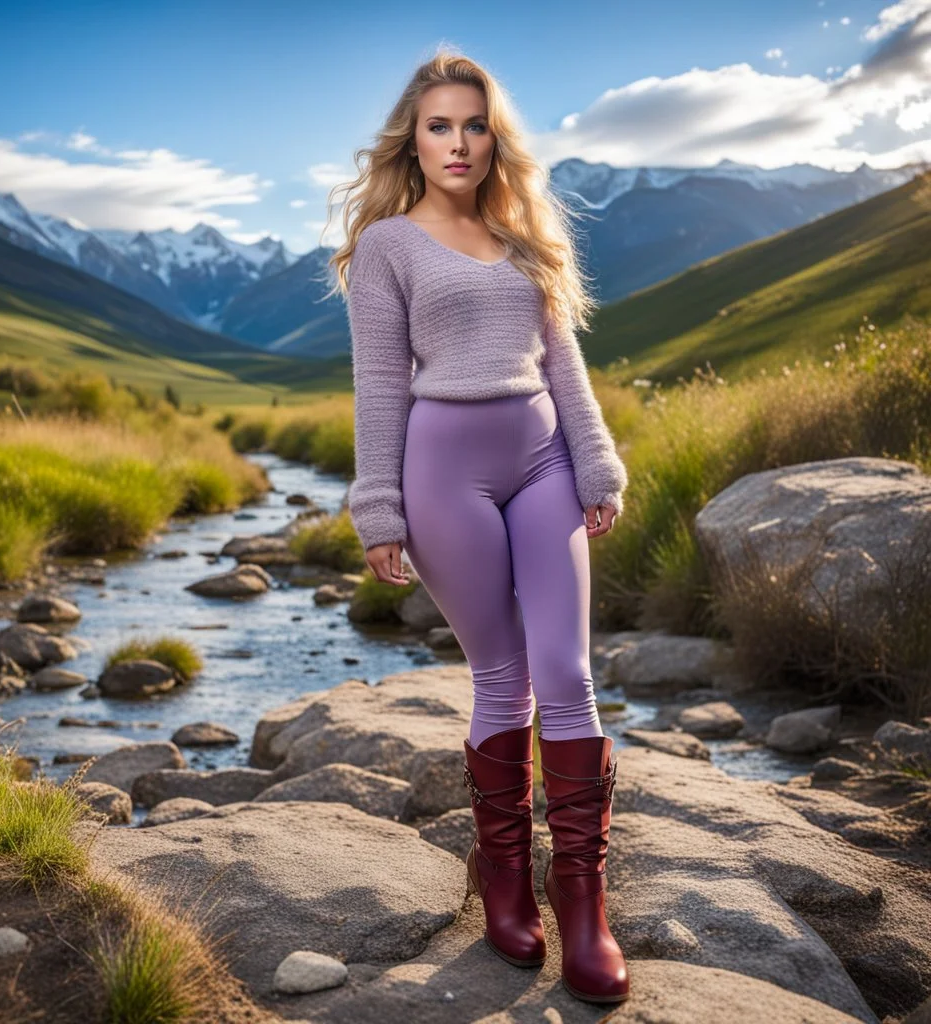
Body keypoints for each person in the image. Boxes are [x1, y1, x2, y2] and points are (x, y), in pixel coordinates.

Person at [326, 50, 630, 1005]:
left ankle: (582, 904)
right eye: (438, 126)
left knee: (569, 673)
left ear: (495, 136)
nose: (458, 142)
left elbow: (562, 363)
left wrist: (598, 463)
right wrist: (378, 508)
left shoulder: (524, 235)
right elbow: (378, 384)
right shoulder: (386, 246)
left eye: (474, 124)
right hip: (442, 470)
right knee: (501, 676)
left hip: (542, 460)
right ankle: (503, 877)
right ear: (412, 144)